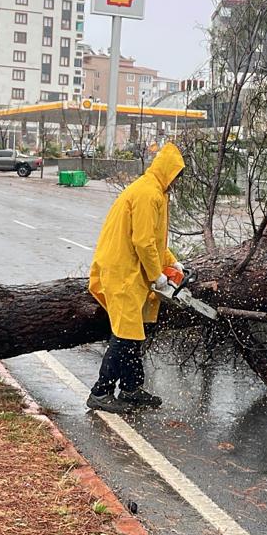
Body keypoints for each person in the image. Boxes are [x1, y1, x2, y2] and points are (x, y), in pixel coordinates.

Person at [86, 141, 187, 413]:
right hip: (122, 272)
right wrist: (157, 276)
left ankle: (131, 388)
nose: (177, 180)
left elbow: (154, 239)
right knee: (125, 335)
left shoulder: (157, 192)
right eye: (176, 174)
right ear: (168, 171)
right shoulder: (147, 194)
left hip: (132, 271)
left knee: (136, 333)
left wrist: (171, 262)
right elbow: (143, 242)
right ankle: (101, 391)